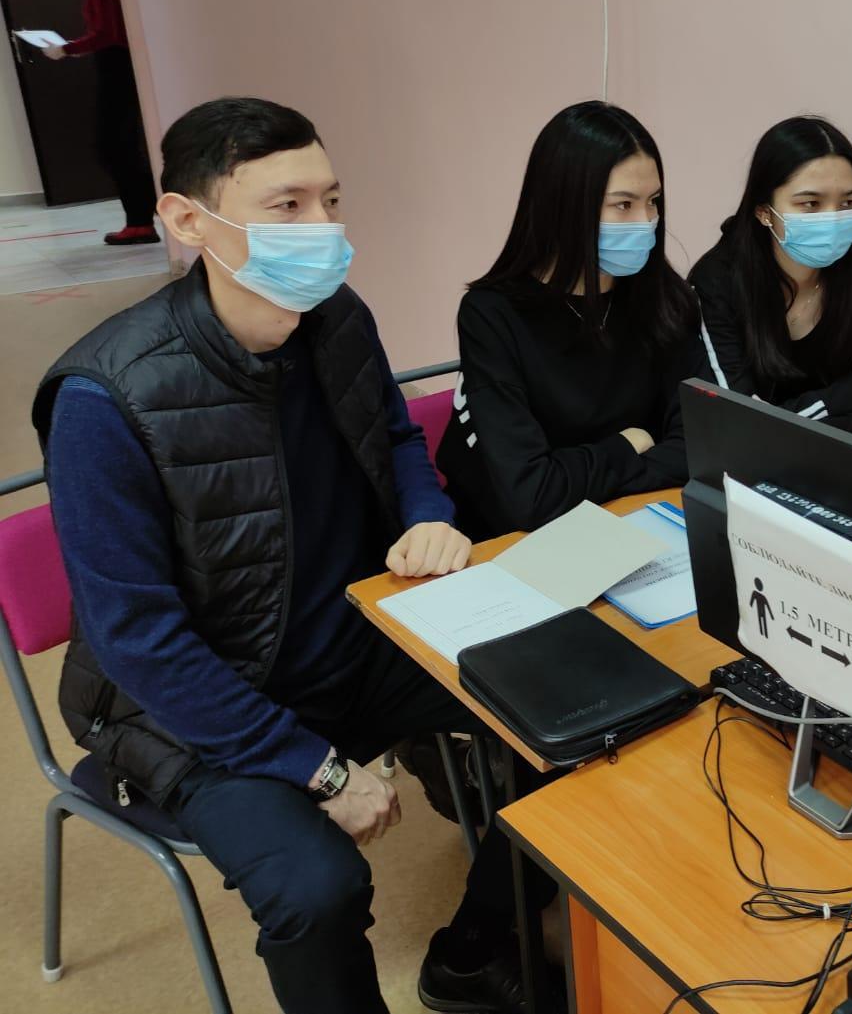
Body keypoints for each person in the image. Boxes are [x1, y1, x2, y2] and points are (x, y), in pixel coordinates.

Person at [34, 97, 539, 1014]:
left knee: (569, 721)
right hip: (187, 705)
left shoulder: (335, 316)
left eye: (330, 200)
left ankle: (475, 948)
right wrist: (317, 767)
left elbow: (396, 437)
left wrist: (429, 513)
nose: (323, 228)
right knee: (318, 888)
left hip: (349, 642)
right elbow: (140, 641)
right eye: (287, 206)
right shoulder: (104, 400)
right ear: (188, 220)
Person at [437, 101, 706, 539]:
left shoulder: (666, 300)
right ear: (562, 206)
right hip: (508, 544)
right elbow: (531, 496)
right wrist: (628, 445)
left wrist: (586, 476)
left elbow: (697, 449)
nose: (646, 222)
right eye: (623, 205)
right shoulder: (492, 315)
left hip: (633, 524)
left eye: (653, 202)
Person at [689, 116, 852, 438]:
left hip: (848, 458)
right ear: (763, 211)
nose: (833, 218)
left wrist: (819, 432)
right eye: (811, 203)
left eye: (849, 202)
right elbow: (746, 425)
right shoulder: (715, 282)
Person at [39, 0, 160, 245]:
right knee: (118, 146)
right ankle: (142, 219)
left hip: (116, 67)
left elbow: (107, 33)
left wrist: (67, 49)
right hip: (118, 64)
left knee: (115, 147)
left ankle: (141, 221)